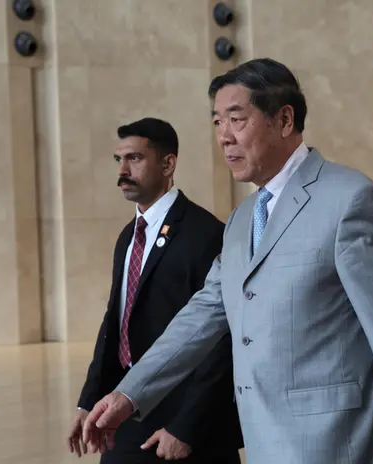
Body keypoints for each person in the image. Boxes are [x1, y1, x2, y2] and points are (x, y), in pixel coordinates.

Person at [81, 58, 373, 464]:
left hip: (334, 444)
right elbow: (202, 314)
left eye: (237, 119)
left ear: (284, 120)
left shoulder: (350, 201)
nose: (224, 137)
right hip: (262, 440)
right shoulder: (242, 220)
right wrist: (129, 392)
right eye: (217, 122)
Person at [66, 118, 242, 463]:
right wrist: (89, 402)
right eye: (118, 160)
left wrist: (186, 428)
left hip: (185, 424)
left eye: (134, 158)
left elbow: (223, 339)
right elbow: (115, 324)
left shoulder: (205, 234)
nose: (123, 169)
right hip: (128, 408)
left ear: (168, 163)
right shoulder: (127, 237)